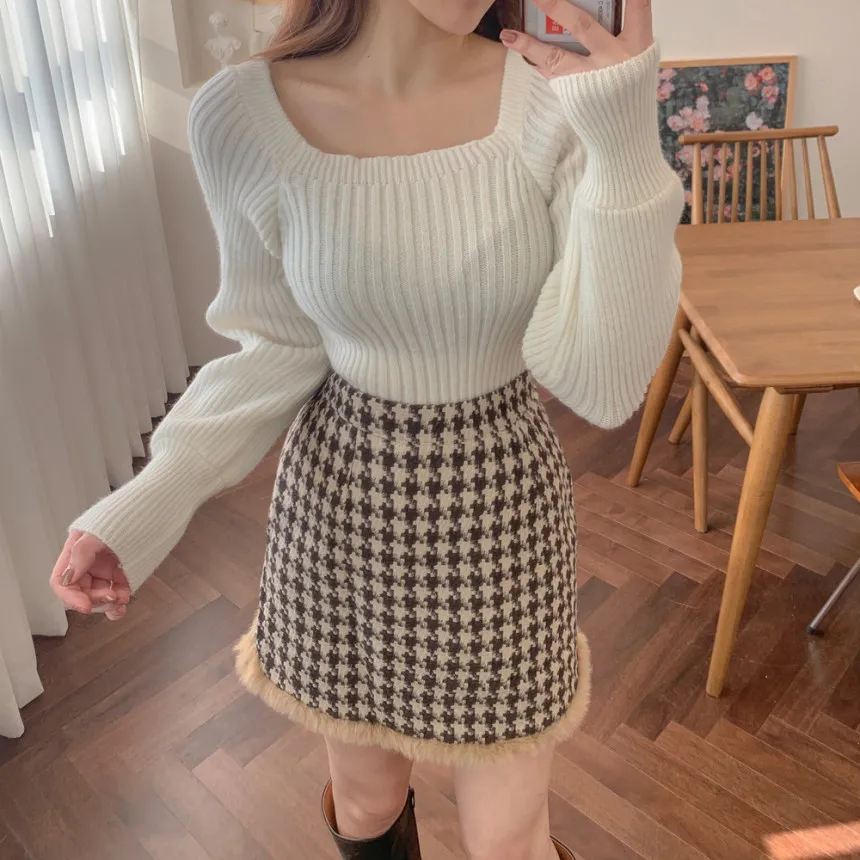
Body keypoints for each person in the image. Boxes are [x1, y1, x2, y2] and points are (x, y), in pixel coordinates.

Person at [51, 0, 682, 857]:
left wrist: (624, 142)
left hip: (501, 509)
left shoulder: (555, 100)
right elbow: (276, 346)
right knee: (367, 804)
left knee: (507, 840)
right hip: (342, 513)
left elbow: (602, 383)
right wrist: (143, 505)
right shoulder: (242, 115)